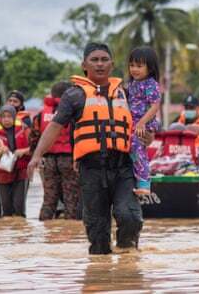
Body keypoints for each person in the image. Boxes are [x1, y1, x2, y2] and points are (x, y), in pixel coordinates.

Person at [28, 42, 143, 255]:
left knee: (129, 216)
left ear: (112, 64)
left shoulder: (127, 93)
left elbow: (144, 124)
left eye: (104, 60)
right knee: (98, 234)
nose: (99, 64)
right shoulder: (74, 95)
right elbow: (54, 127)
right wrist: (36, 156)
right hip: (91, 169)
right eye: (94, 60)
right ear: (84, 65)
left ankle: (128, 262)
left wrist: (148, 133)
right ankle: (100, 275)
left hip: (123, 167)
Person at [30, 81, 80, 220]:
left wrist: (37, 157)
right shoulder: (74, 111)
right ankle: (72, 232)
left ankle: (45, 230)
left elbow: (34, 138)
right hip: (69, 160)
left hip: (48, 161)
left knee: (49, 200)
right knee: (71, 200)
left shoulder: (40, 115)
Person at [127, 47, 161, 195]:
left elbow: (155, 106)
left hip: (144, 122)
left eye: (139, 66)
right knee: (130, 148)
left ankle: (144, 183)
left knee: (137, 148)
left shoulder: (150, 83)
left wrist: (142, 122)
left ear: (150, 67)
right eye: (132, 65)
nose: (134, 69)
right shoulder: (132, 84)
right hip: (132, 122)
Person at [0, 105, 31, 217]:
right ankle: (7, 233)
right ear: (0, 118)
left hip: (21, 173)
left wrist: (23, 151)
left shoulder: (24, 129)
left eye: (9, 116)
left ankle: (19, 232)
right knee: (6, 209)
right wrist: (1, 151)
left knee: (19, 208)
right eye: (3, 117)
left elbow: (35, 148)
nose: (6, 119)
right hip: (2, 175)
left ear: (15, 117)